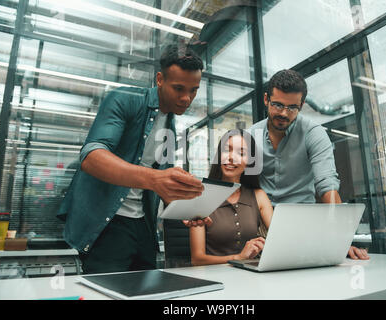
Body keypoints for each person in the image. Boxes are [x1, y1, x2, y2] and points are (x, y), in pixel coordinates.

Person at [57, 45, 210, 274]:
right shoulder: (124, 98)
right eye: (178, 88)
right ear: (160, 79)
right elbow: (91, 157)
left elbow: (162, 186)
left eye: (193, 90)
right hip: (108, 224)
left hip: (143, 227)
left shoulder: (171, 124)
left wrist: (188, 210)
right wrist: (155, 179)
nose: (186, 98)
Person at [249, 69, 369, 260]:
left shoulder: (313, 133)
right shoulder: (252, 135)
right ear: (266, 99)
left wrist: (341, 240)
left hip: (302, 221)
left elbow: (326, 184)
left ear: (302, 105)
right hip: (260, 225)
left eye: (292, 108)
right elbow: (243, 186)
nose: (283, 113)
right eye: (277, 105)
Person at [189, 130, 274, 266]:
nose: (231, 158)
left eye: (241, 153)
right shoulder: (200, 195)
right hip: (214, 278)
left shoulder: (259, 196)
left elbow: (280, 239)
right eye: (226, 150)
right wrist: (239, 257)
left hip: (251, 277)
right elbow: (197, 259)